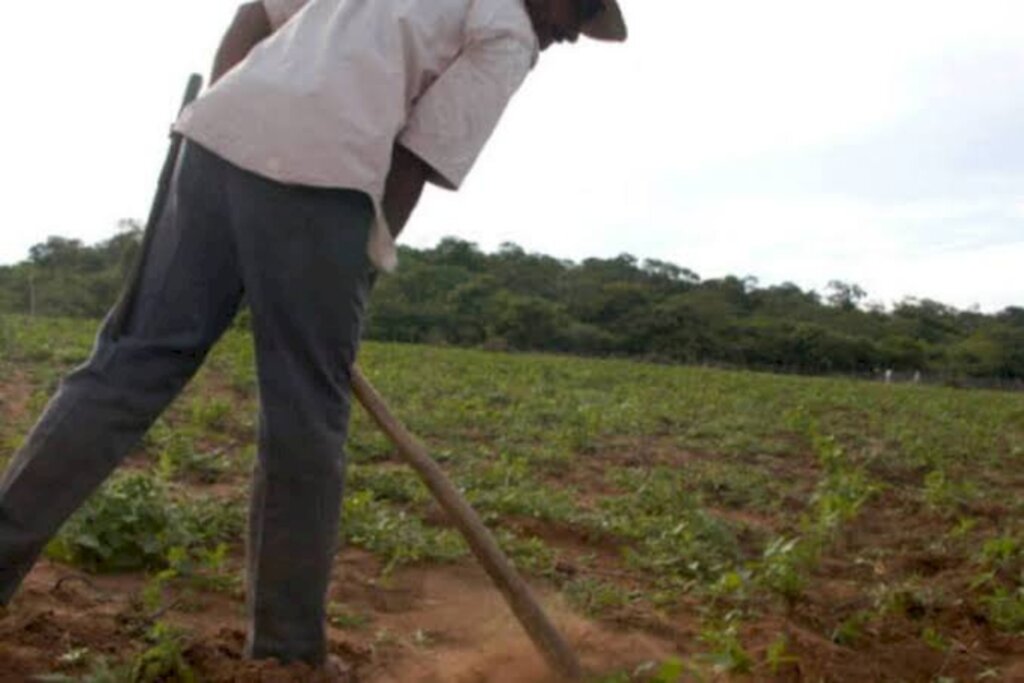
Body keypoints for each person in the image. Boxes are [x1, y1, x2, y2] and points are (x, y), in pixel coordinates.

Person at [0, 0, 627, 677]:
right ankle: (287, 655)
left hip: (212, 144)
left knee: (124, 369)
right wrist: (356, 271)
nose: (571, 33)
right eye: (580, 9)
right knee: (305, 419)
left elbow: (254, 14)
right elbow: (420, 157)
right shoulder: (507, 30)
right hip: (326, 183)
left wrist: (220, 116)